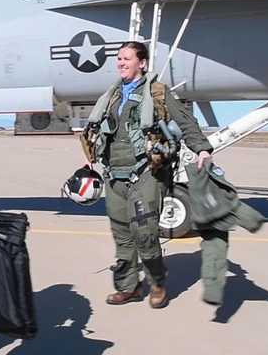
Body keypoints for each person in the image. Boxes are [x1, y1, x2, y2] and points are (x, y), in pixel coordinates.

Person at [82, 41, 213, 309]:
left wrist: (202, 149)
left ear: (141, 63)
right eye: (118, 58)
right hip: (114, 174)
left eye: (126, 58)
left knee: (145, 233)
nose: (120, 62)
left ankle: (157, 282)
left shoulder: (157, 92)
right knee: (122, 235)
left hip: (146, 172)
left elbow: (186, 121)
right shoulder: (112, 95)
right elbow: (101, 130)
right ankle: (128, 287)